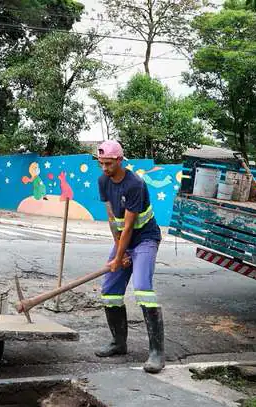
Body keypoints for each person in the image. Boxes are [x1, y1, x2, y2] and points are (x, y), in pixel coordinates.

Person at [95, 139, 165, 374]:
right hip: (123, 239)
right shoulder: (103, 181)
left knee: (143, 287)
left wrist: (119, 258)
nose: (104, 168)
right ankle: (118, 343)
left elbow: (129, 225)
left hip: (145, 238)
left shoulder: (135, 184)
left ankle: (156, 353)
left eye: (108, 163)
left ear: (119, 160)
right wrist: (118, 252)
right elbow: (112, 219)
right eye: (101, 163)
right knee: (109, 292)